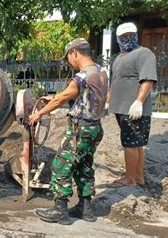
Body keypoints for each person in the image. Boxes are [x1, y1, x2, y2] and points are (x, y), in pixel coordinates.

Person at [29, 38, 108, 225]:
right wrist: (54, 97)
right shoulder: (102, 72)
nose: (69, 62)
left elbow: (63, 98)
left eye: (68, 58)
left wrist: (38, 114)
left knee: (60, 165)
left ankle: (60, 211)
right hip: (95, 128)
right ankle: (86, 209)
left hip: (79, 130)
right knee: (84, 166)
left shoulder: (82, 76)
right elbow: (81, 95)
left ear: (74, 53)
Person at [108, 22, 157, 187]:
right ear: (118, 39)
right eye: (123, 37)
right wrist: (108, 101)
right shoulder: (118, 59)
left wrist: (138, 101)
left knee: (130, 144)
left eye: (130, 36)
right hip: (121, 108)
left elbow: (148, 79)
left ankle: (129, 179)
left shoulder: (144, 54)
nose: (127, 39)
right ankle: (137, 177)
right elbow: (116, 82)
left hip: (133, 109)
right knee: (136, 144)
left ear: (136, 35)